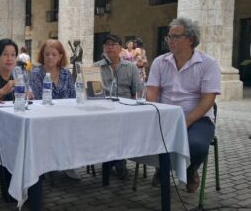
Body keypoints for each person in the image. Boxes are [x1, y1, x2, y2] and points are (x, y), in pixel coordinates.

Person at [146, 17, 221, 193]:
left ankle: (189, 169)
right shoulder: (160, 62)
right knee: (140, 137)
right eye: (169, 37)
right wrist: (153, 113)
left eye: (175, 37)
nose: (170, 41)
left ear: (191, 39)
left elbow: (208, 100)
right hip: (164, 115)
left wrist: (185, 122)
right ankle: (163, 166)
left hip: (197, 118)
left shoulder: (208, 63)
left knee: (195, 145)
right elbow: (152, 92)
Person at [0, 38, 42, 211]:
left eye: (13, 54)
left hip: (13, 128)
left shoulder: (19, 72)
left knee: (31, 145)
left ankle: (25, 189)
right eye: (5, 54)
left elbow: (29, 94)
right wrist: (4, 90)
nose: (10, 58)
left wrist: (29, 95)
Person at [29, 39, 79, 180]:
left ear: (60, 56)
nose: (50, 57)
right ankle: (47, 165)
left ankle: (69, 163)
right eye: (47, 54)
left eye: (54, 54)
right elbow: (38, 98)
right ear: (42, 56)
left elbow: (73, 96)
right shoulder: (36, 73)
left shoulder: (66, 74)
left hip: (65, 117)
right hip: (44, 117)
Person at [93, 34, 141, 180]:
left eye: (113, 44)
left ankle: (114, 160)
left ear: (121, 47)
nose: (110, 47)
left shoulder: (131, 67)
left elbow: (137, 92)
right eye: (107, 44)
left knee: (123, 127)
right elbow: (92, 94)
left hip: (126, 111)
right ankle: (116, 161)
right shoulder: (95, 67)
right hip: (104, 111)